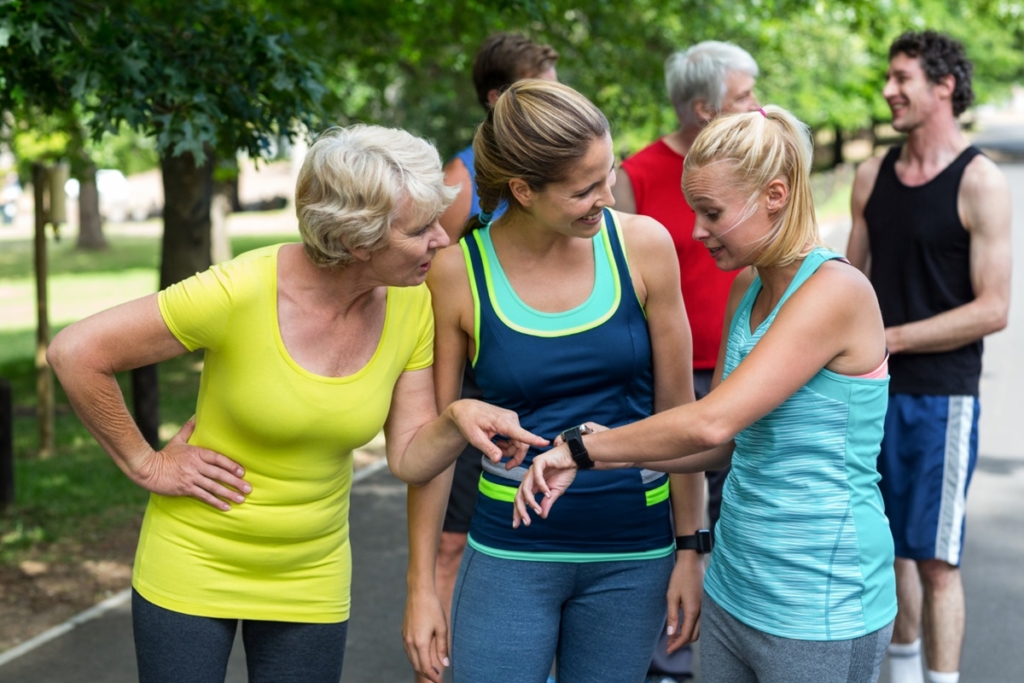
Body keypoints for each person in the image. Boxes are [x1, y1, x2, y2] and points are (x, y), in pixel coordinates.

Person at [47, 124, 546, 683]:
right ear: (359, 241)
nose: (442, 240)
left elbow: (408, 457)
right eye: (420, 228)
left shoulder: (412, 306)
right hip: (194, 559)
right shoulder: (240, 291)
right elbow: (76, 352)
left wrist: (456, 419)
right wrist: (146, 463)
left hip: (312, 572)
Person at [515, 105, 898, 683]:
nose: (695, 231)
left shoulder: (835, 291)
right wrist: (606, 447)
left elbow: (711, 423)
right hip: (736, 587)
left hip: (821, 600)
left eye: (712, 212)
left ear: (775, 195)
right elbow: (719, 445)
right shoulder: (748, 285)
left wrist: (582, 449)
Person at [403, 79, 706, 683]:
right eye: (584, 189)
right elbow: (437, 448)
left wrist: (690, 552)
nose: (607, 194)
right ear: (522, 190)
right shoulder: (456, 272)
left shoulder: (644, 247)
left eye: (609, 173)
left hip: (633, 555)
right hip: (509, 556)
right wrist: (420, 589)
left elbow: (683, 417)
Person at [846, 30, 1012, 683]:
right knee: (887, 551)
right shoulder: (869, 173)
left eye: (902, 78)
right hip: (866, 392)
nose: (888, 90)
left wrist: (890, 337)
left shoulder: (980, 182)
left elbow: (993, 308)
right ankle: (905, 673)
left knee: (937, 560)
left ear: (943, 86)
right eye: (889, 77)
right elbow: (845, 278)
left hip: (942, 396)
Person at [613, 40, 760, 682]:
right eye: (743, 96)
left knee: (735, 515)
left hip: (742, 369)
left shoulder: (751, 171)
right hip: (666, 376)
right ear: (701, 107)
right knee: (670, 522)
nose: (757, 106)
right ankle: (666, 662)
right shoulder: (638, 174)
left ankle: (729, 650)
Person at [429, 34, 560, 660]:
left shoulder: (564, 170)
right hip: (478, 389)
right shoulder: (462, 175)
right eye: (541, 80)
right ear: (497, 96)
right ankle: (445, 653)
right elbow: (430, 270)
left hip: (542, 384)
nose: (556, 90)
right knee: (455, 538)